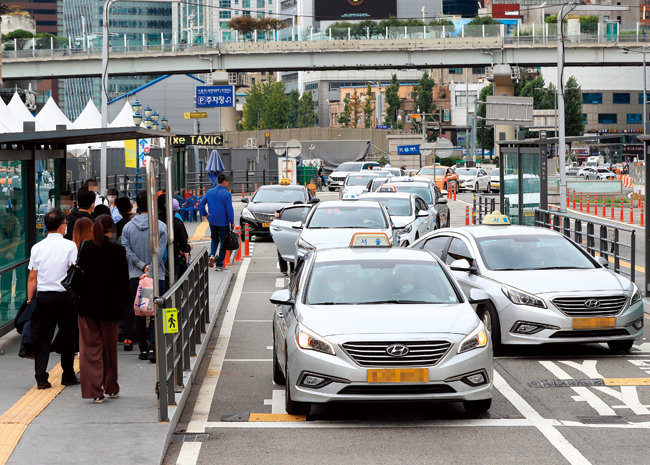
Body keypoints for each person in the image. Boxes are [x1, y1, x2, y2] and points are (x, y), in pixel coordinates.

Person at [77, 214, 130, 403]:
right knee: (109, 349)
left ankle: (95, 392)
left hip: (87, 307)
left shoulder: (85, 248)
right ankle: (111, 387)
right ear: (112, 230)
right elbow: (123, 281)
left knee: (90, 350)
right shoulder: (118, 250)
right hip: (111, 308)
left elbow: (80, 276)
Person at [27, 209, 79, 389]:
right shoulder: (70, 246)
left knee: (43, 338)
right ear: (61, 226)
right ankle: (68, 375)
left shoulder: (37, 247)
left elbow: (32, 277)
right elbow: (73, 271)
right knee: (68, 336)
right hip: (65, 297)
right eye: (65, 224)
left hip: (44, 297)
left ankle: (41, 378)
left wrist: (29, 299)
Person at [121, 191, 167, 362]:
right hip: (157, 276)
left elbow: (127, 251)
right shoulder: (161, 227)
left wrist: (141, 267)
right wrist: (149, 270)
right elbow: (160, 254)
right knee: (156, 312)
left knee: (139, 313)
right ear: (153, 205)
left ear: (137, 206)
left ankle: (143, 348)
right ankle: (154, 347)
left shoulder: (128, 227)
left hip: (135, 277)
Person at [198, 173, 234, 270]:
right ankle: (219, 265)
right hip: (224, 222)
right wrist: (232, 221)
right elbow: (229, 209)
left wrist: (206, 214)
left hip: (212, 220)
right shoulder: (227, 194)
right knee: (223, 242)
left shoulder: (209, 192)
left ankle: (212, 255)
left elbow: (200, 205)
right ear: (225, 182)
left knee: (214, 239)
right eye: (227, 181)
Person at [158, 194, 192, 280]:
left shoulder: (153, 221)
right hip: (172, 259)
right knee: (171, 282)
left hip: (154, 261)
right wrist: (189, 247)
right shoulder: (176, 223)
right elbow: (184, 245)